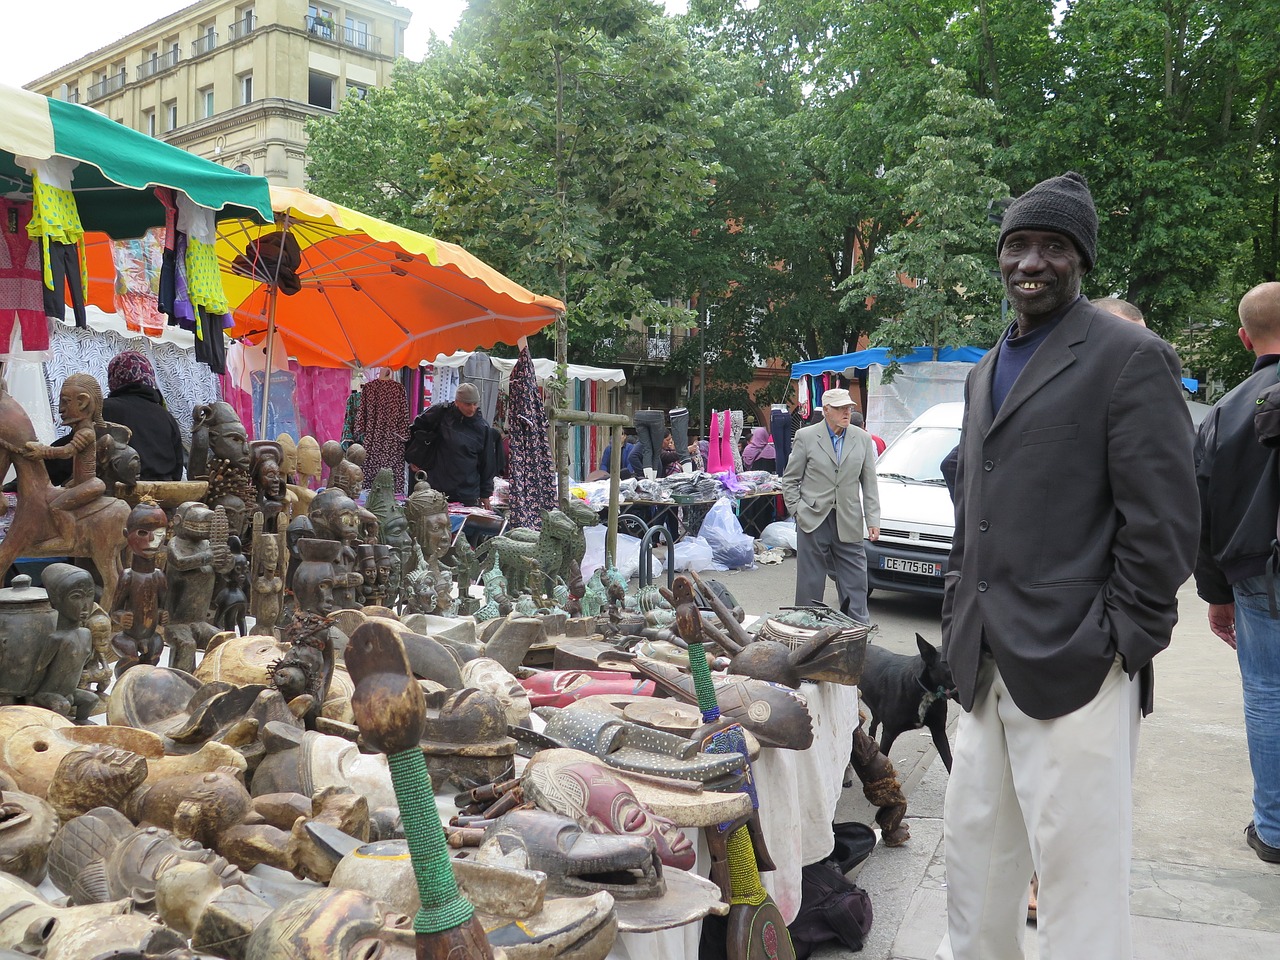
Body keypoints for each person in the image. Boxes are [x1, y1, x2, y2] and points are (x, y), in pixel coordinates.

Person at [936, 172, 1199, 960]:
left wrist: (1123, 640)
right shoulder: (987, 369)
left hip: (1080, 663)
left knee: (1079, 890)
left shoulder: (1129, 356)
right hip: (984, 664)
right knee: (974, 872)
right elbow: (975, 507)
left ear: (1081, 259)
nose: (1032, 261)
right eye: (1018, 244)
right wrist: (957, 612)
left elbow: (1165, 522)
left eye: (1054, 246)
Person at [1194, 281, 1280, 864]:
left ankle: (1274, 829)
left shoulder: (1225, 413)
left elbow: (1206, 512)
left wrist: (1216, 593)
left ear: (1245, 337)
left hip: (1258, 574)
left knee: (1268, 695)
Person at [780, 388, 879, 621]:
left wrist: (873, 519)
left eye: (849, 407)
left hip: (849, 517)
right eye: (841, 408)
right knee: (810, 584)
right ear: (826, 411)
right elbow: (790, 479)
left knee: (856, 582)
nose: (847, 412)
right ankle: (805, 630)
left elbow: (869, 483)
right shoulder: (806, 436)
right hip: (813, 517)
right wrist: (798, 511)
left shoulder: (863, 438)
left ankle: (857, 634)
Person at [405, 382, 495, 508]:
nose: (472, 408)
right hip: (435, 489)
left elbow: (487, 463)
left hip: (466, 494)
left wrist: (485, 494)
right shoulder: (440, 413)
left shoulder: (483, 428)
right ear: (457, 402)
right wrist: (413, 457)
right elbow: (415, 429)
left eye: (475, 404)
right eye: (468, 404)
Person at [100, 351, 185, 481]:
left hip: (119, 495)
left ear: (114, 376)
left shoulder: (105, 409)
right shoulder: (166, 417)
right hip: (165, 495)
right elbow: (177, 468)